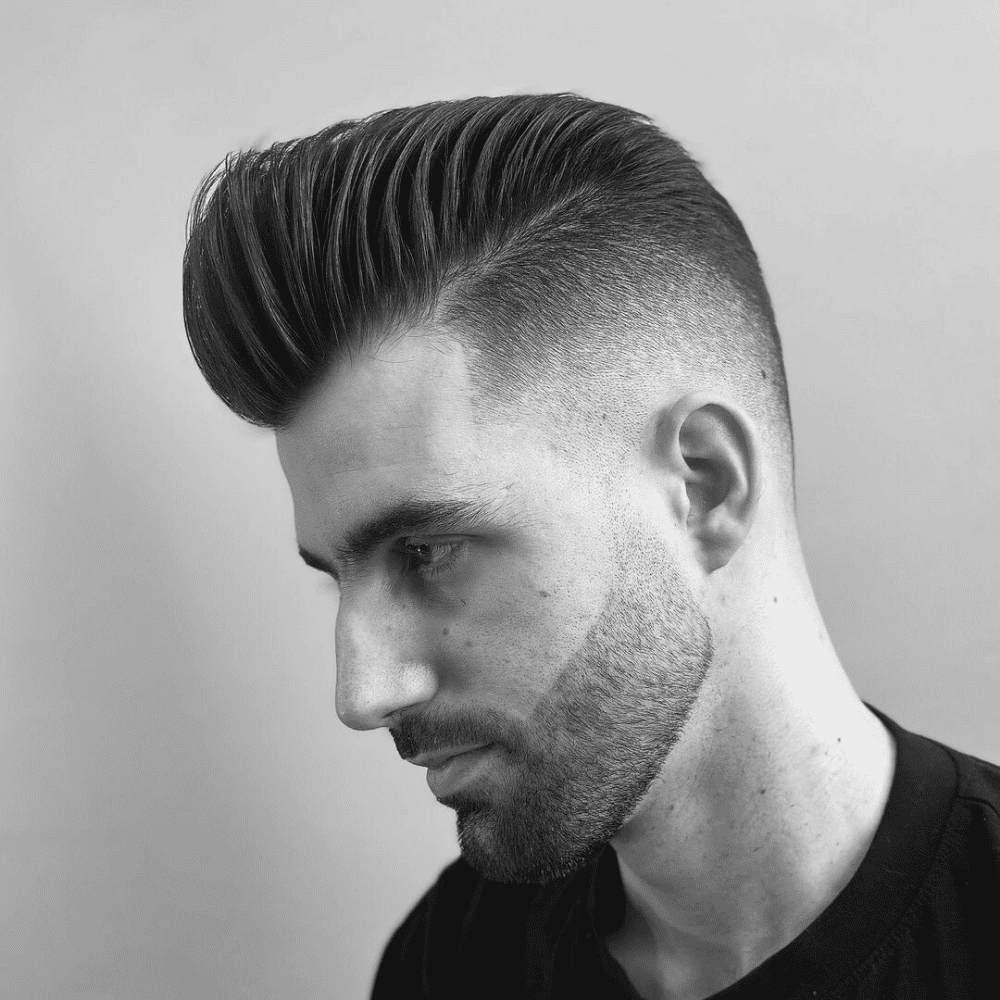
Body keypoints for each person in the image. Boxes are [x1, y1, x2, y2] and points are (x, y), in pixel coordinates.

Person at [181, 94, 1000, 999]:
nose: (363, 694)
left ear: (704, 487)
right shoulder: (450, 963)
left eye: (427, 550)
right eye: (341, 578)